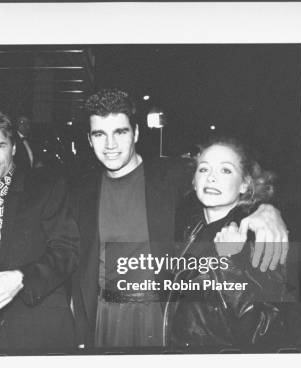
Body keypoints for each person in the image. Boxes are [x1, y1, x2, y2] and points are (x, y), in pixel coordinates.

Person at [71, 89, 289, 349]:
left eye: (120, 132)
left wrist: (267, 210)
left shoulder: (172, 176)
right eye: (99, 134)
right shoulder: (79, 191)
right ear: (89, 139)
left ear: (136, 133)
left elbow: (226, 182)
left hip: (161, 320)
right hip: (105, 319)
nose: (110, 145)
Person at [0, 109, 78, 352]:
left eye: (0, 145)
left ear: (14, 148)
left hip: (42, 324)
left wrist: (22, 278)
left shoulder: (44, 186)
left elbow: (67, 251)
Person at [164, 138, 288, 350]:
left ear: (245, 184)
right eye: (204, 169)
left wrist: (229, 262)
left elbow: (264, 329)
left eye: (225, 170)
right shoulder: (190, 227)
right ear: (194, 181)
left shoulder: (259, 236)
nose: (211, 178)